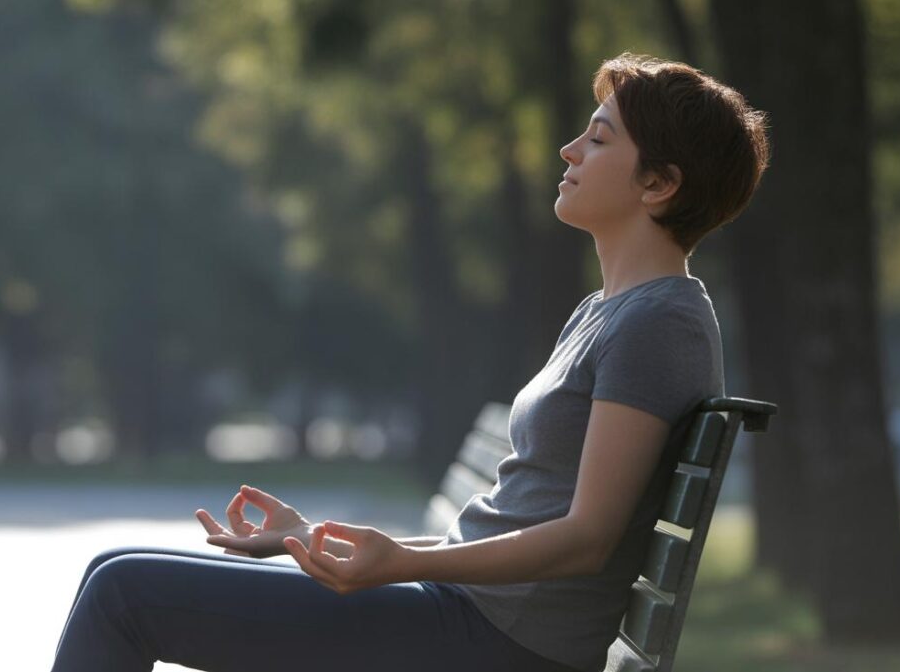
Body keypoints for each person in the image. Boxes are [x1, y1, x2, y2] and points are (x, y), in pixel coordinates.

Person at [49, 52, 769, 672]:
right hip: (466, 617)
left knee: (124, 595)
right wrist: (313, 537)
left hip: (496, 646)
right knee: (107, 571)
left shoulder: (660, 323)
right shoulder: (608, 311)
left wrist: (407, 564)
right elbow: (504, 529)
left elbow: (587, 538)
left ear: (658, 183)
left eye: (599, 138)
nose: (569, 150)